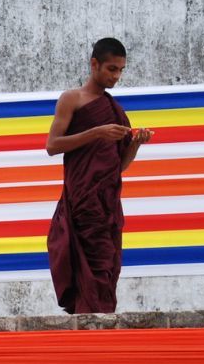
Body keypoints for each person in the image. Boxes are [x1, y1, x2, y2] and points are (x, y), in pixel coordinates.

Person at [45, 38, 152, 314]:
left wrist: (135, 144)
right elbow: (52, 145)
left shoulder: (115, 110)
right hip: (82, 201)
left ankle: (99, 333)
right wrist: (96, 133)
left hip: (107, 203)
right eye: (111, 69)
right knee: (90, 265)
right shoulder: (73, 99)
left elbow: (119, 166)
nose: (116, 77)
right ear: (94, 64)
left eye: (120, 71)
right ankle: (88, 332)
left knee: (107, 266)